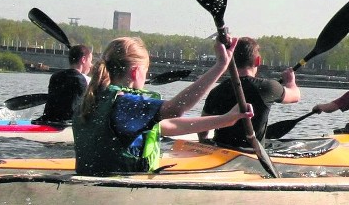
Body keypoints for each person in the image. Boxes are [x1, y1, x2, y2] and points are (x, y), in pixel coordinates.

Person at [73, 36, 254, 176]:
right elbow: (177, 109)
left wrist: (226, 120)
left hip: (92, 179)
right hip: (120, 185)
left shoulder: (93, 98)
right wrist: (220, 66)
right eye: (146, 71)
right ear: (136, 71)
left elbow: (168, 126)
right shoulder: (127, 103)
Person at [199, 36, 300, 148]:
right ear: (257, 61)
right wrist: (291, 81)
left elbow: (202, 131)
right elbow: (295, 96)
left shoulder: (216, 91)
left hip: (221, 147)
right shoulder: (268, 87)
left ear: (230, 60)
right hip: (251, 152)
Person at [32, 44, 93, 126]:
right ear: (83, 59)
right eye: (90, 61)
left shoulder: (55, 76)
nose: (91, 65)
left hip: (47, 120)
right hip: (67, 124)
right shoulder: (85, 79)